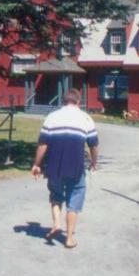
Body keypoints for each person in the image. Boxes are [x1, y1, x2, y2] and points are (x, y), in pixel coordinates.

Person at [30, 89, 98, 249]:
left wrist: (36, 164)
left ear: (63, 101)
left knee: (56, 195)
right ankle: (68, 238)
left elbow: (43, 144)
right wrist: (94, 162)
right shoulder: (86, 118)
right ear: (78, 102)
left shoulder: (52, 117)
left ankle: (56, 224)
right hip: (76, 167)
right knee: (74, 199)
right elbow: (93, 144)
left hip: (54, 166)